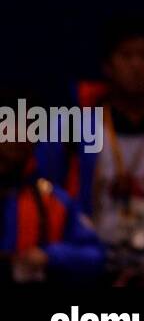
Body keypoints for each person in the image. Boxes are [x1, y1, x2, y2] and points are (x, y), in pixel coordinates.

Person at [37, 14, 144, 286]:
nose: (136, 65)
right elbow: (44, 199)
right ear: (107, 66)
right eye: (125, 56)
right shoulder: (71, 130)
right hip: (90, 273)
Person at [1, 88, 105, 286]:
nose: (19, 134)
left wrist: (49, 255)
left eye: (29, 126)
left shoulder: (54, 200)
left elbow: (95, 256)